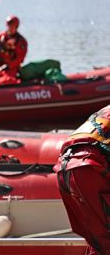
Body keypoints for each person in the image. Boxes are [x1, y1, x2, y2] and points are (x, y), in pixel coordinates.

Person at [54, 105, 110, 254]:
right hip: (89, 169)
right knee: (105, 241)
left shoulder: (106, 110)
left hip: (64, 169)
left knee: (98, 240)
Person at [0, 15, 28, 86]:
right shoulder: (1, 37)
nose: (10, 27)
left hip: (10, 69)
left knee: (4, 81)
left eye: (12, 25)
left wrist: (3, 68)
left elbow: (19, 59)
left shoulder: (21, 42)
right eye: (9, 25)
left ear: (16, 26)